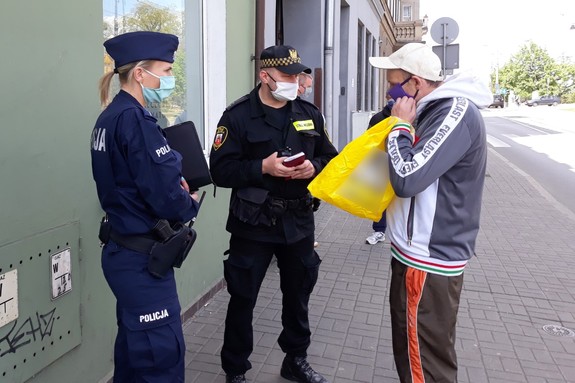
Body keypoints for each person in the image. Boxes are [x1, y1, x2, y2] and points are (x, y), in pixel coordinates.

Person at [210, 45, 338, 383]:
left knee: (298, 296)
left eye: (298, 75)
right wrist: (262, 167)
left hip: (298, 223)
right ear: (265, 76)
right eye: (287, 76)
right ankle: (235, 370)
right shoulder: (237, 116)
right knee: (243, 299)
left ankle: (295, 360)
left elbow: (332, 159)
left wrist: (313, 167)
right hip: (253, 224)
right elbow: (220, 171)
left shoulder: (310, 112)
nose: (295, 82)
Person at [369, 43, 492, 382]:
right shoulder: (431, 110)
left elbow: (407, 177)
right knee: (413, 355)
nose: (390, 92)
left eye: (395, 84)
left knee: (424, 363)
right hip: (414, 254)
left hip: (428, 260)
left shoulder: (455, 112)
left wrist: (399, 126)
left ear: (417, 84)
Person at [90, 31, 200, 382]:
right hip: (142, 263)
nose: (169, 78)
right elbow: (167, 195)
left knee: (133, 354)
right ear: (140, 73)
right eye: (166, 71)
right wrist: (189, 202)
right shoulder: (136, 120)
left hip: (123, 251)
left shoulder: (108, 117)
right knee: (159, 358)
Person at [364, 99, 394, 245]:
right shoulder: (377, 118)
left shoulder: (410, 118)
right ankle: (379, 231)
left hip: (400, 163)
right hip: (380, 161)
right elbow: (368, 138)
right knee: (379, 199)